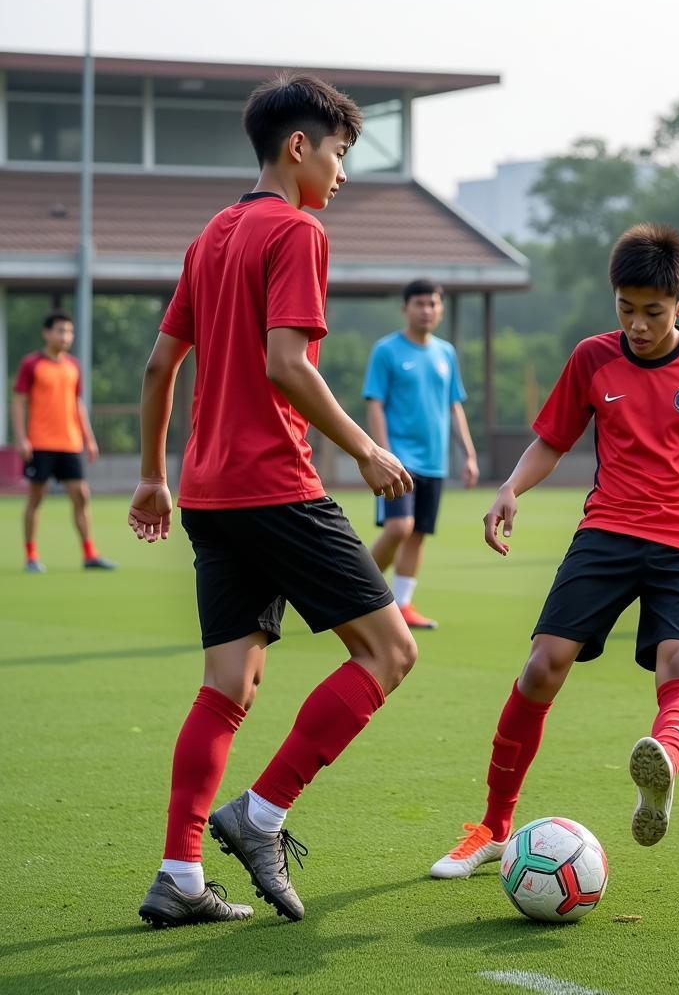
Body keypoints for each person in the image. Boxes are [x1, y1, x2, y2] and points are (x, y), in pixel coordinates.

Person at [128, 73, 417, 929]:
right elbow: (286, 363)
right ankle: (261, 815)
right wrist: (365, 449)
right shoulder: (296, 231)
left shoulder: (210, 235)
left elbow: (157, 367)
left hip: (210, 494)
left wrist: (152, 475)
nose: (341, 174)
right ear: (299, 147)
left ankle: (179, 876)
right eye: (338, 153)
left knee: (227, 687)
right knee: (390, 653)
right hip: (275, 487)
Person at [430, 223, 679, 879]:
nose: (637, 324)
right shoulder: (592, 359)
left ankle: (661, 762)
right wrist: (511, 486)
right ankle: (491, 826)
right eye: (625, 309)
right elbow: (552, 438)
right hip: (607, 532)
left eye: (652, 312)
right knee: (543, 666)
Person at [363, 279, 478, 629]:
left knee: (418, 533)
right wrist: (382, 454)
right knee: (400, 526)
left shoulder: (446, 353)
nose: (427, 310)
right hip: (400, 459)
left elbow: (454, 405)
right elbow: (375, 404)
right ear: (405, 308)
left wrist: (469, 455)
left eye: (433, 304)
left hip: (434, 462)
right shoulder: (386, 351)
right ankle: (354, 594)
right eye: (419, 304)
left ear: (440, 309)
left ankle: (403, 604)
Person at [12, 312, 115, 572]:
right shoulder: (32, 364)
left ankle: (90, 554)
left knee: (81, 496)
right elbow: (19, 401)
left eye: (69, 332)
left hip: (69, 443)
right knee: (36, 498)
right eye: (60, 331)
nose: (65, 336)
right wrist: (21, 438)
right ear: (46, 333)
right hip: (41, 443)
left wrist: (89, 438)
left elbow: (77, 403)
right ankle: (31, 556)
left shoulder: (73, 366)